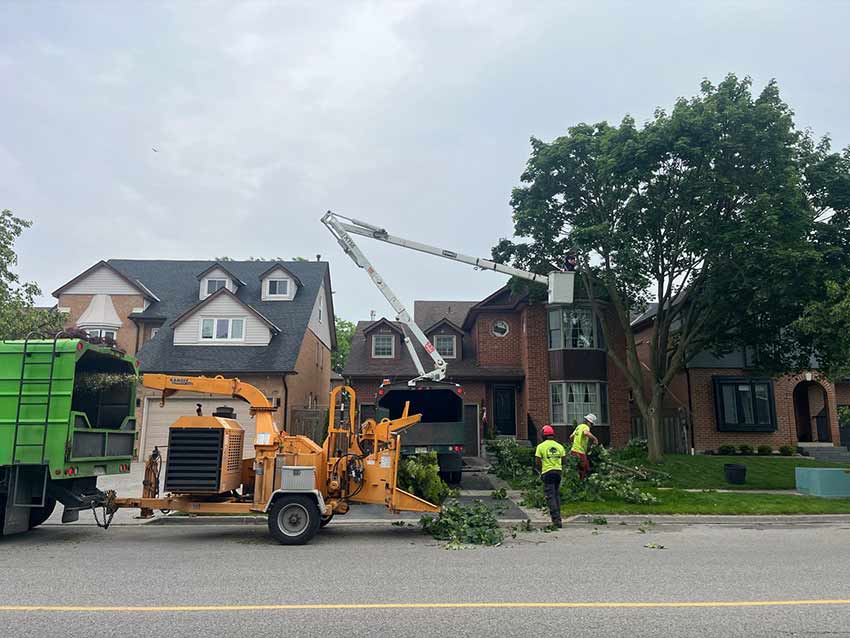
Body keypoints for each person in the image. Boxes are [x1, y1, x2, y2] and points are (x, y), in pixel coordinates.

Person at [535, 425, 566, 528]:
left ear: (543, 435)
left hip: (547, 473)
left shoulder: (541, 447)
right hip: (558, 472)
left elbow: (538, 462)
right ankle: (559, 517)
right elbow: (564, 461)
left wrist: (541, 471)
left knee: (550, 496)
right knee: (556, 495)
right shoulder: (559, 446)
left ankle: (556, 520)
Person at [570, 414, 599, 480]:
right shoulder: (586, 427)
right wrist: (595, 439)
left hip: (573, 451)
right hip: (580, 452)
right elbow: (586, 433)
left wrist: (575, 443)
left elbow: (571, 437)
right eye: (592, 424)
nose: (592, 426)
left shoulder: (579, 427)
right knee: (584, 469)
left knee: (576, 469)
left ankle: (575, 482)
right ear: (589, 422)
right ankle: (581, 484)